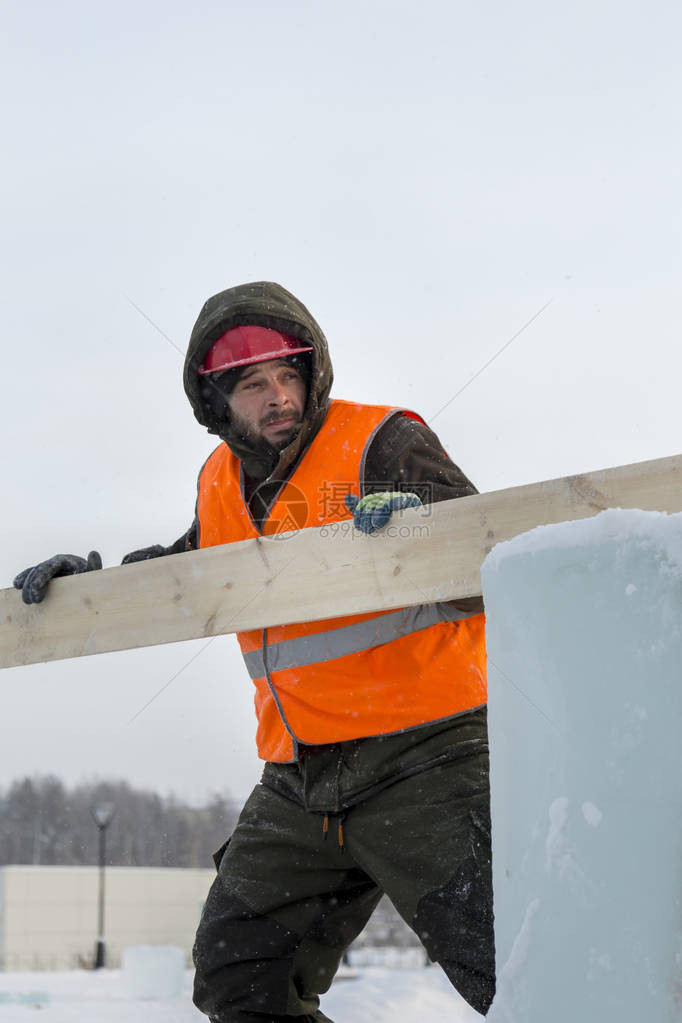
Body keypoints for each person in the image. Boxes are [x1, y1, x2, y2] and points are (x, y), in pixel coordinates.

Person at [14, 282, 495, 1021]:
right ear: (216, 402)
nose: (277, 397)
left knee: (513, 962)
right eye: (251, 384)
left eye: (287, 377)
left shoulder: (382, 442)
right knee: (239, 977)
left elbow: (488, 569)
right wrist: (88, 589)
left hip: (423, 758)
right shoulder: (218, 486)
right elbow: (181, 575)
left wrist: (427, 533)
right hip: (301, 778)